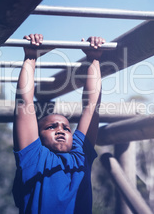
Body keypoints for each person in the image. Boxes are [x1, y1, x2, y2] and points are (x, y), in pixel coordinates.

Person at [12, 34, 105, 214]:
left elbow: (91, 106)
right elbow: (24, 102)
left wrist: (94, 59)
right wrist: (31, 57)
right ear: (37, 136)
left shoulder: (80, 154)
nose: (60, 130)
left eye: (66, 128)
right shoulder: (34, 156)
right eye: (51, 127)